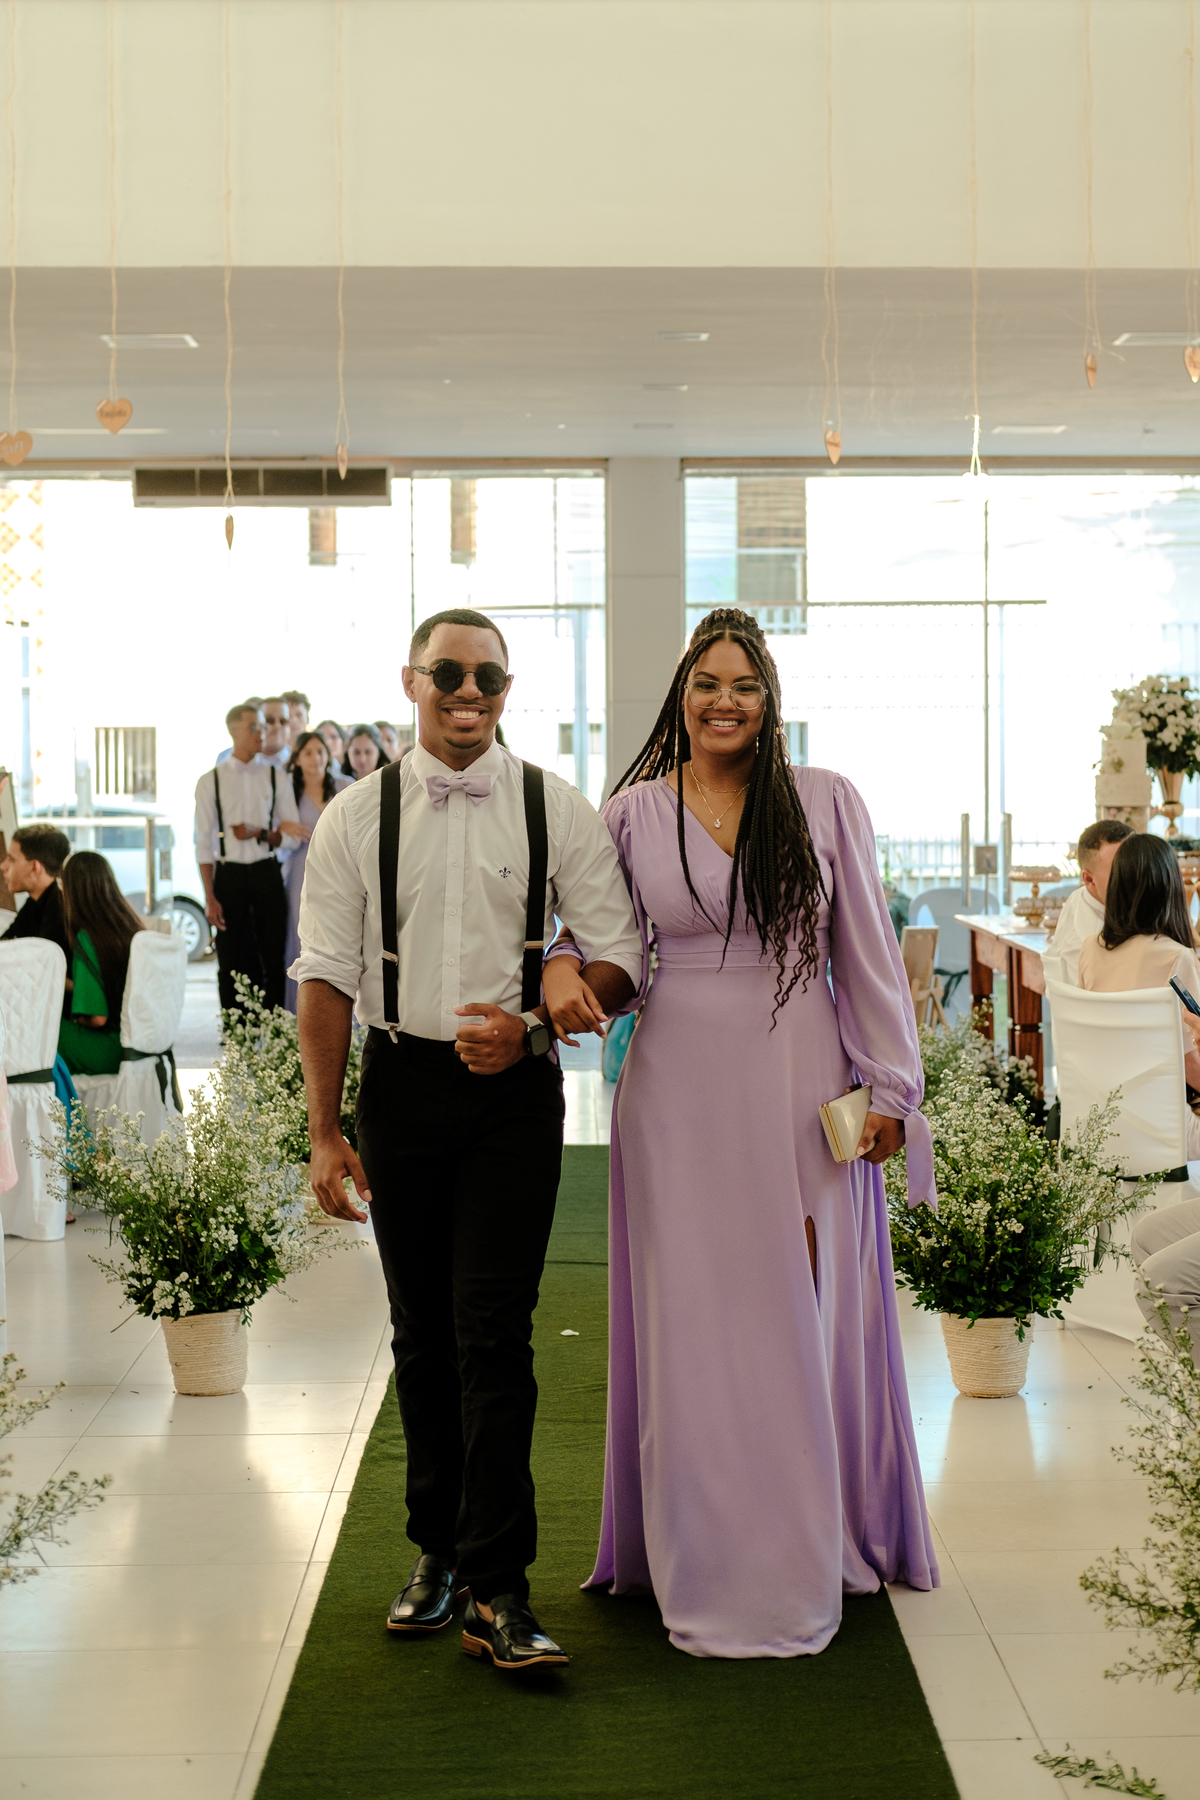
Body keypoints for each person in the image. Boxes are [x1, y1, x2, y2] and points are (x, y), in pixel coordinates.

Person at [541, 606, 938, 1659]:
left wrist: (890, 1087)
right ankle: (702, 1550)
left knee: (800, 1308)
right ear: (682, 696)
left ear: (770, 700)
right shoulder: (631, 814)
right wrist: (561, 966)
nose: (725, 701)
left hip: (801, 1082)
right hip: (675, 1093)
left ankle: (809, 1540)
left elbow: (867, 953)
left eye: (745, 686)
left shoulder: (824, 800)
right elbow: (591, 937)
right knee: (693, 1321)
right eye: (707, 684)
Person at [293, 606, 641, 1673]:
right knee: (422, 1333)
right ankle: (436, 1552)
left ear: (506, 691)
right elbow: (326, 976)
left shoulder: (552, 805)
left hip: (512, 1097)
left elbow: (623, 957)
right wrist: (323, 1130)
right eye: (448, 672)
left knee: (494, 1332)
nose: (468, 693)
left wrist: (537, 1021)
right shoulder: (355, 816)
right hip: (400, 1085)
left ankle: (499, 1586)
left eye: (488, 677)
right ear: (412, 681)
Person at [195, 702, 303, 1013]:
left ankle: (273, 1027)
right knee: (230, 958)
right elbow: (202, 841)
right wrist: (209, 896)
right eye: (253, 727)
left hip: (266, 872)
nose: (262, 733)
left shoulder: (276, 777)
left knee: (273, 956)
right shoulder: (210, 781)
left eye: (262, 727)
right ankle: (235, 1030)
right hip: (228, 875)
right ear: (233, 730)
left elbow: (293, 834)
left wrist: (261, 832)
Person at [56, 850, 143, 1077]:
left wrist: (75, 1018)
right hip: (140, 1047)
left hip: (108, 1049)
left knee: (42, 1030)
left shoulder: (87, 939)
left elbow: (96, 1018)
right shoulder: (130, 928)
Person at [281, 730, 349, 1014]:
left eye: (320, 751)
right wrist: (283, 828)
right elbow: (275, 827)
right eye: (308, 753)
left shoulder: (345, 785)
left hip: (338, 870)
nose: (315, 758)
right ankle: (301, 1012)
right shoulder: (287, 791)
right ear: (297, 759)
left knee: (338, 933)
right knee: (303, 934)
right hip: (301, 869)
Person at [1044, 819, 1133, 985]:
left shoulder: (1084, 897)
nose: (1134, 877)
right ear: (1089, 879)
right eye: (1119, 871)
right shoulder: (1086, 942)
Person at [0, 823, 71, 962]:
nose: (3, 866)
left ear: (34, 867)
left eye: (12, 859)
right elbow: (5, 944)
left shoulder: (60, 912)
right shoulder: (35, 903)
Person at [261, 697, 292, 770]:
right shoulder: (241, 762)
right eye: (269, 720)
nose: (277, 726)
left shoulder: (301, 763)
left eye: (282, 721)